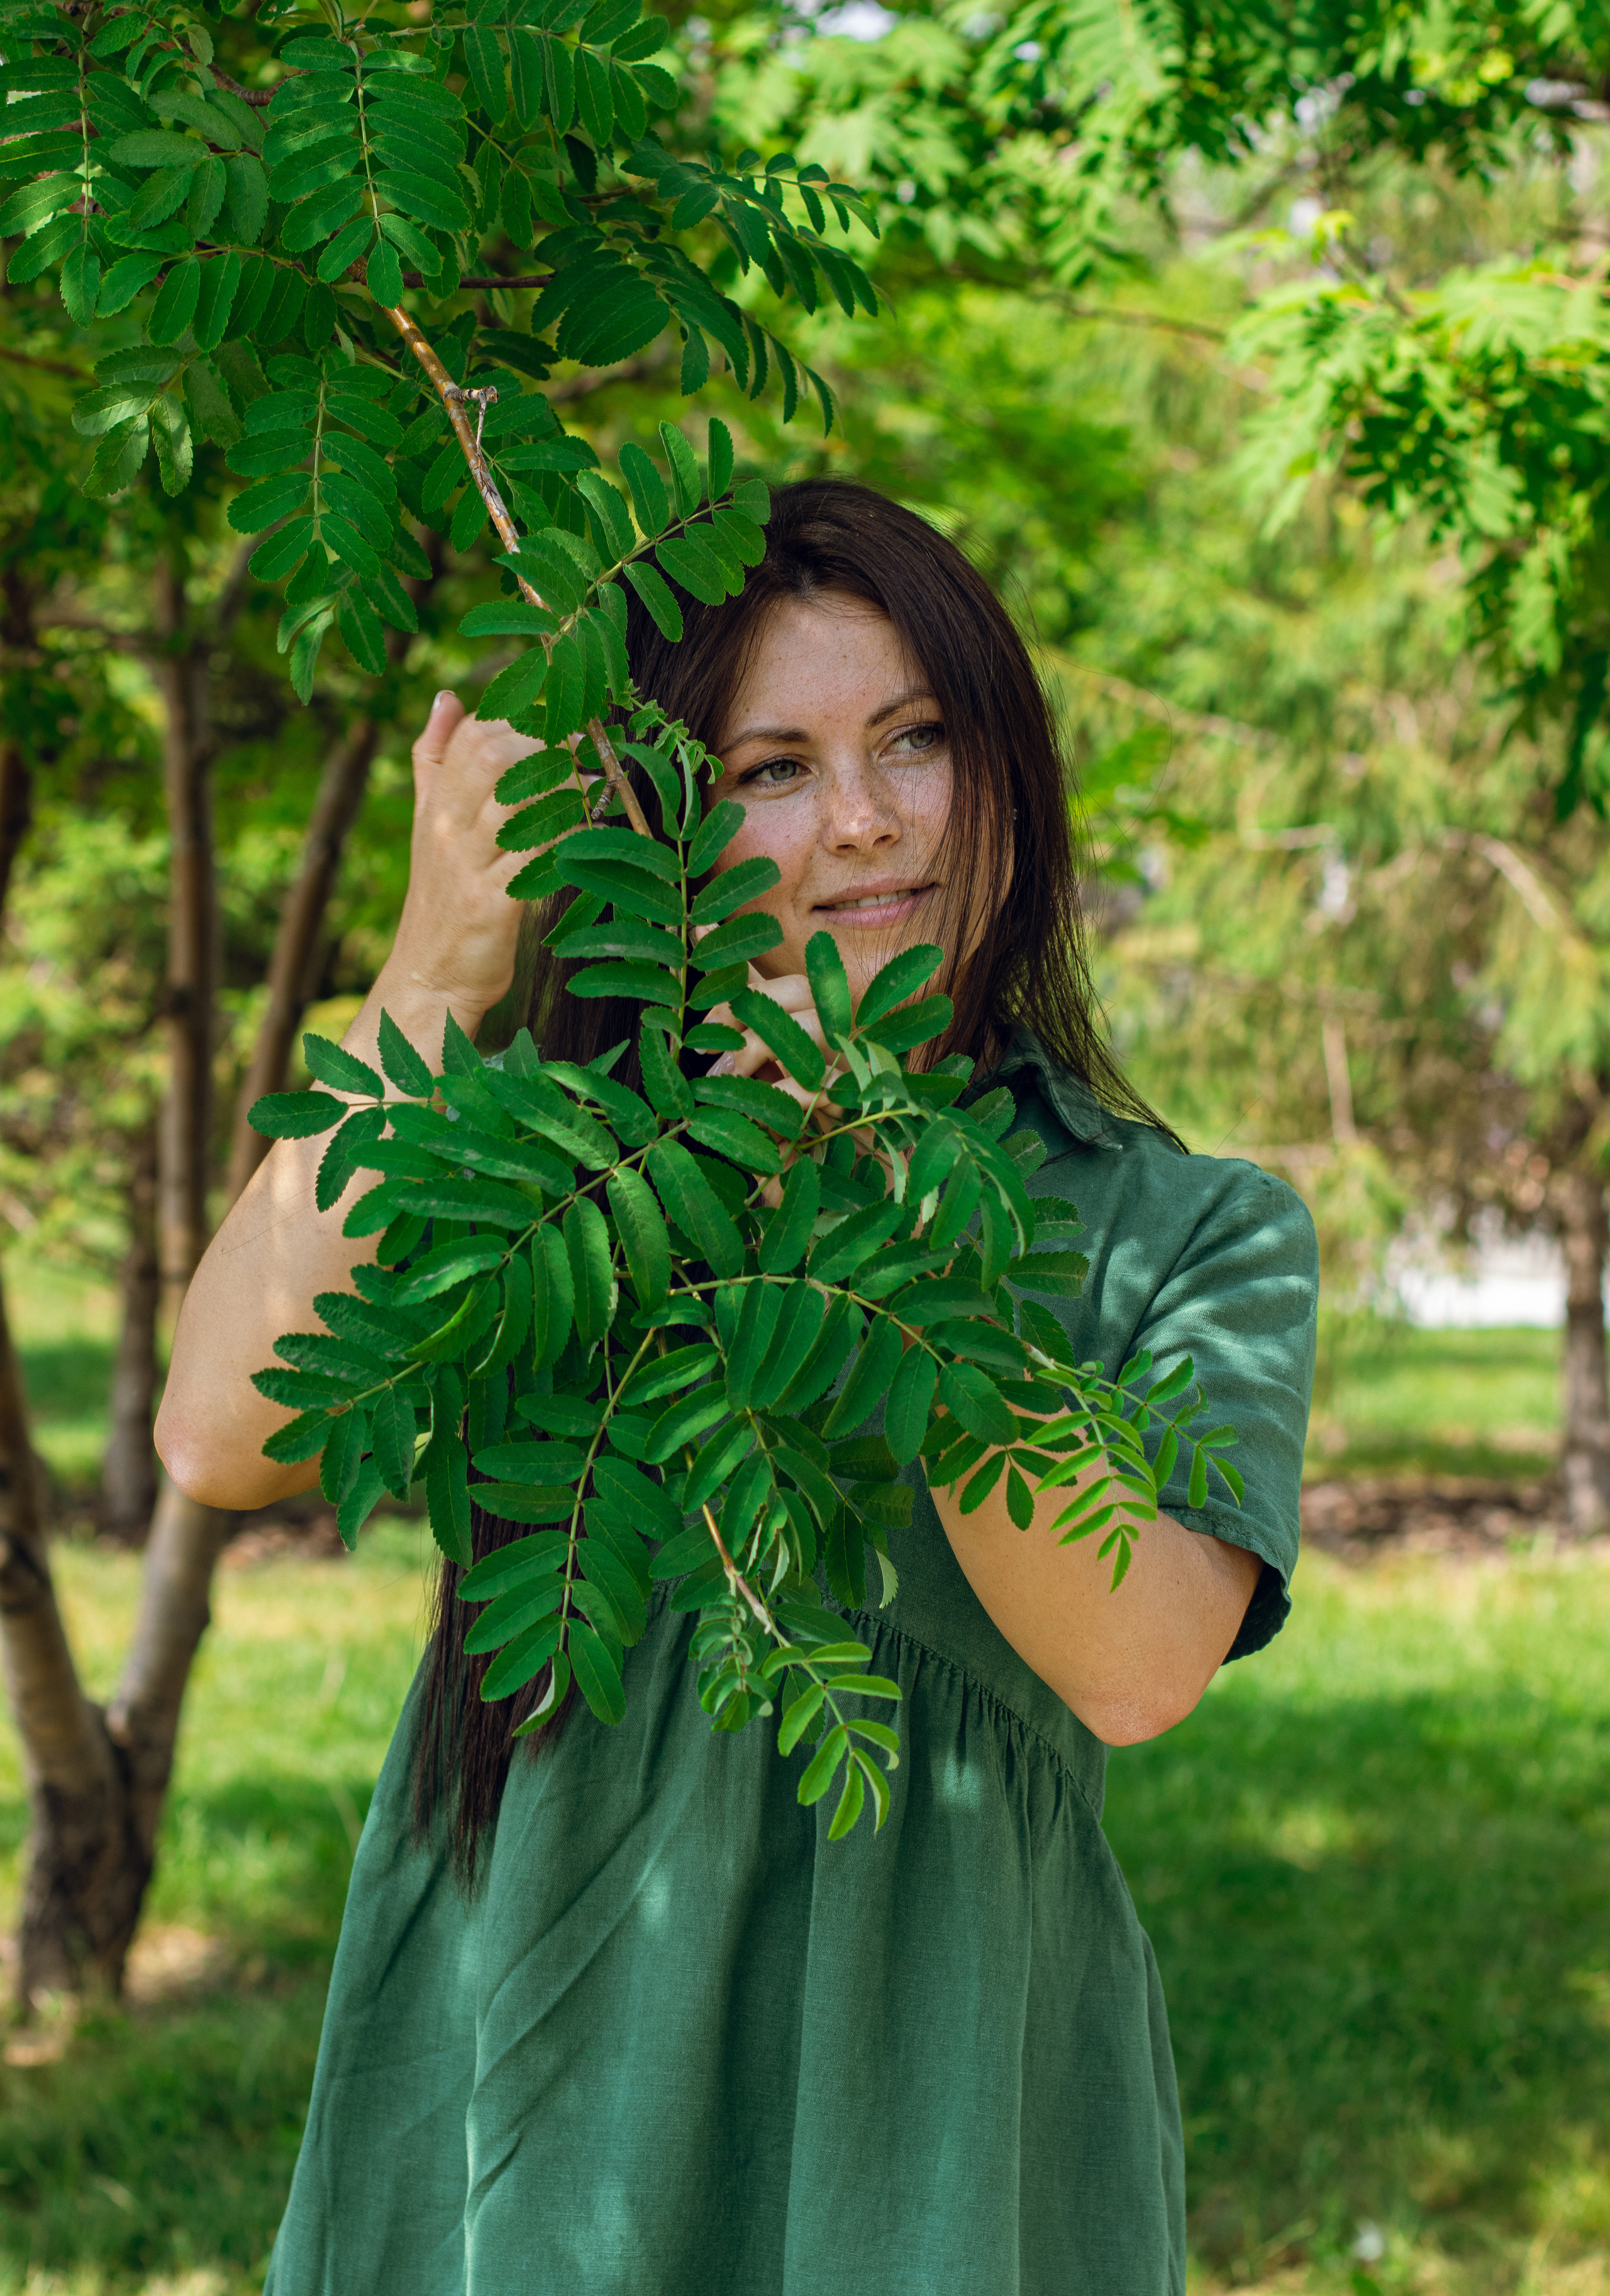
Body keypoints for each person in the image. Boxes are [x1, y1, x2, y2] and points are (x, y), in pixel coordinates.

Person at [157, 480, 1317, 2296]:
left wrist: (875, 1198)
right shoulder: (560, 1167)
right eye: (772, 767)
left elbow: (1139, 1657)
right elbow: (219, 1428)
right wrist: (443, 956)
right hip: (532, 2070)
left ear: (1008, 767)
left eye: (919, 739)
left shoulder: (1190, 1224)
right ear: (660, 828)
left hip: (930, 2114)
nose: (864, 820)